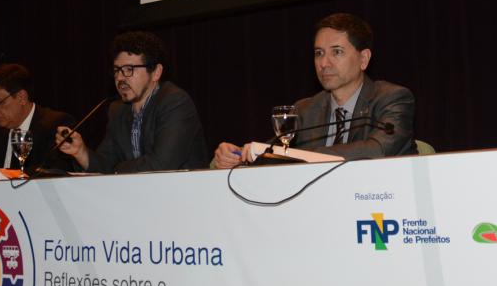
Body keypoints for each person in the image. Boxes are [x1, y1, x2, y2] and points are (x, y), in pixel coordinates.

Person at [212, 13, 418, 166]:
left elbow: (378, 150)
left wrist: (308, 156)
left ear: (363, 59)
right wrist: (239, 154)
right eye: (319, 53)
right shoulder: (305, 109)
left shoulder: (393, 98)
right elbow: (273, 153)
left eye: (337, 52)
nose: (324, 63)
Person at [55, 31, 208, 173]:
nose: (120, 78)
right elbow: (105, 163)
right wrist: (81, 152)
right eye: (117, 70)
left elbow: (161, 165)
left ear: (156, 72)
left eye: (129, 69)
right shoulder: (118, 110)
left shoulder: (175, 102)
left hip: (181, 191)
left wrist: (115, 170)